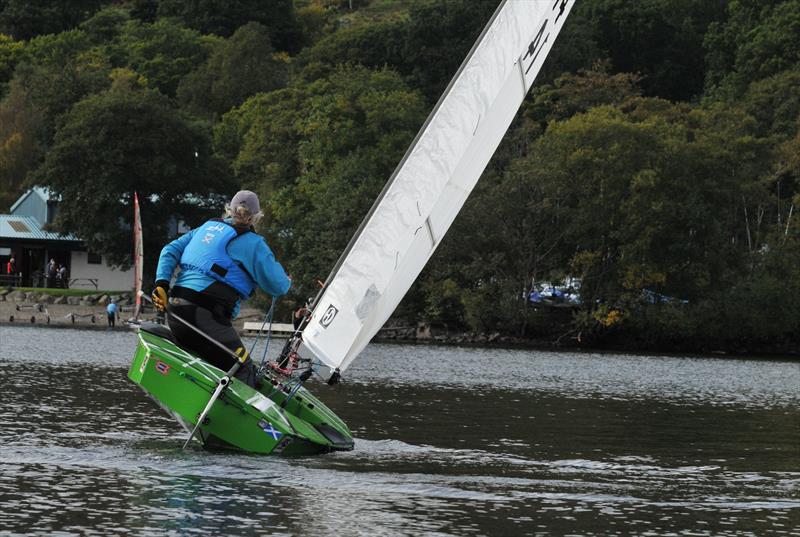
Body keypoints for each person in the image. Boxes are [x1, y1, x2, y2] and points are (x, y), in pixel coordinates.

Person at [152, 190, 291, 387]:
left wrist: (161, 283)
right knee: (242, 368)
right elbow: (278, 286)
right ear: (256, 217)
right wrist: (287, 280)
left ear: (228, 210)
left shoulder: (206, 228)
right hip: (205, 318)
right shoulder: (254, 244)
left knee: (214, 361)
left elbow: (169, 250)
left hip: (176, 313)